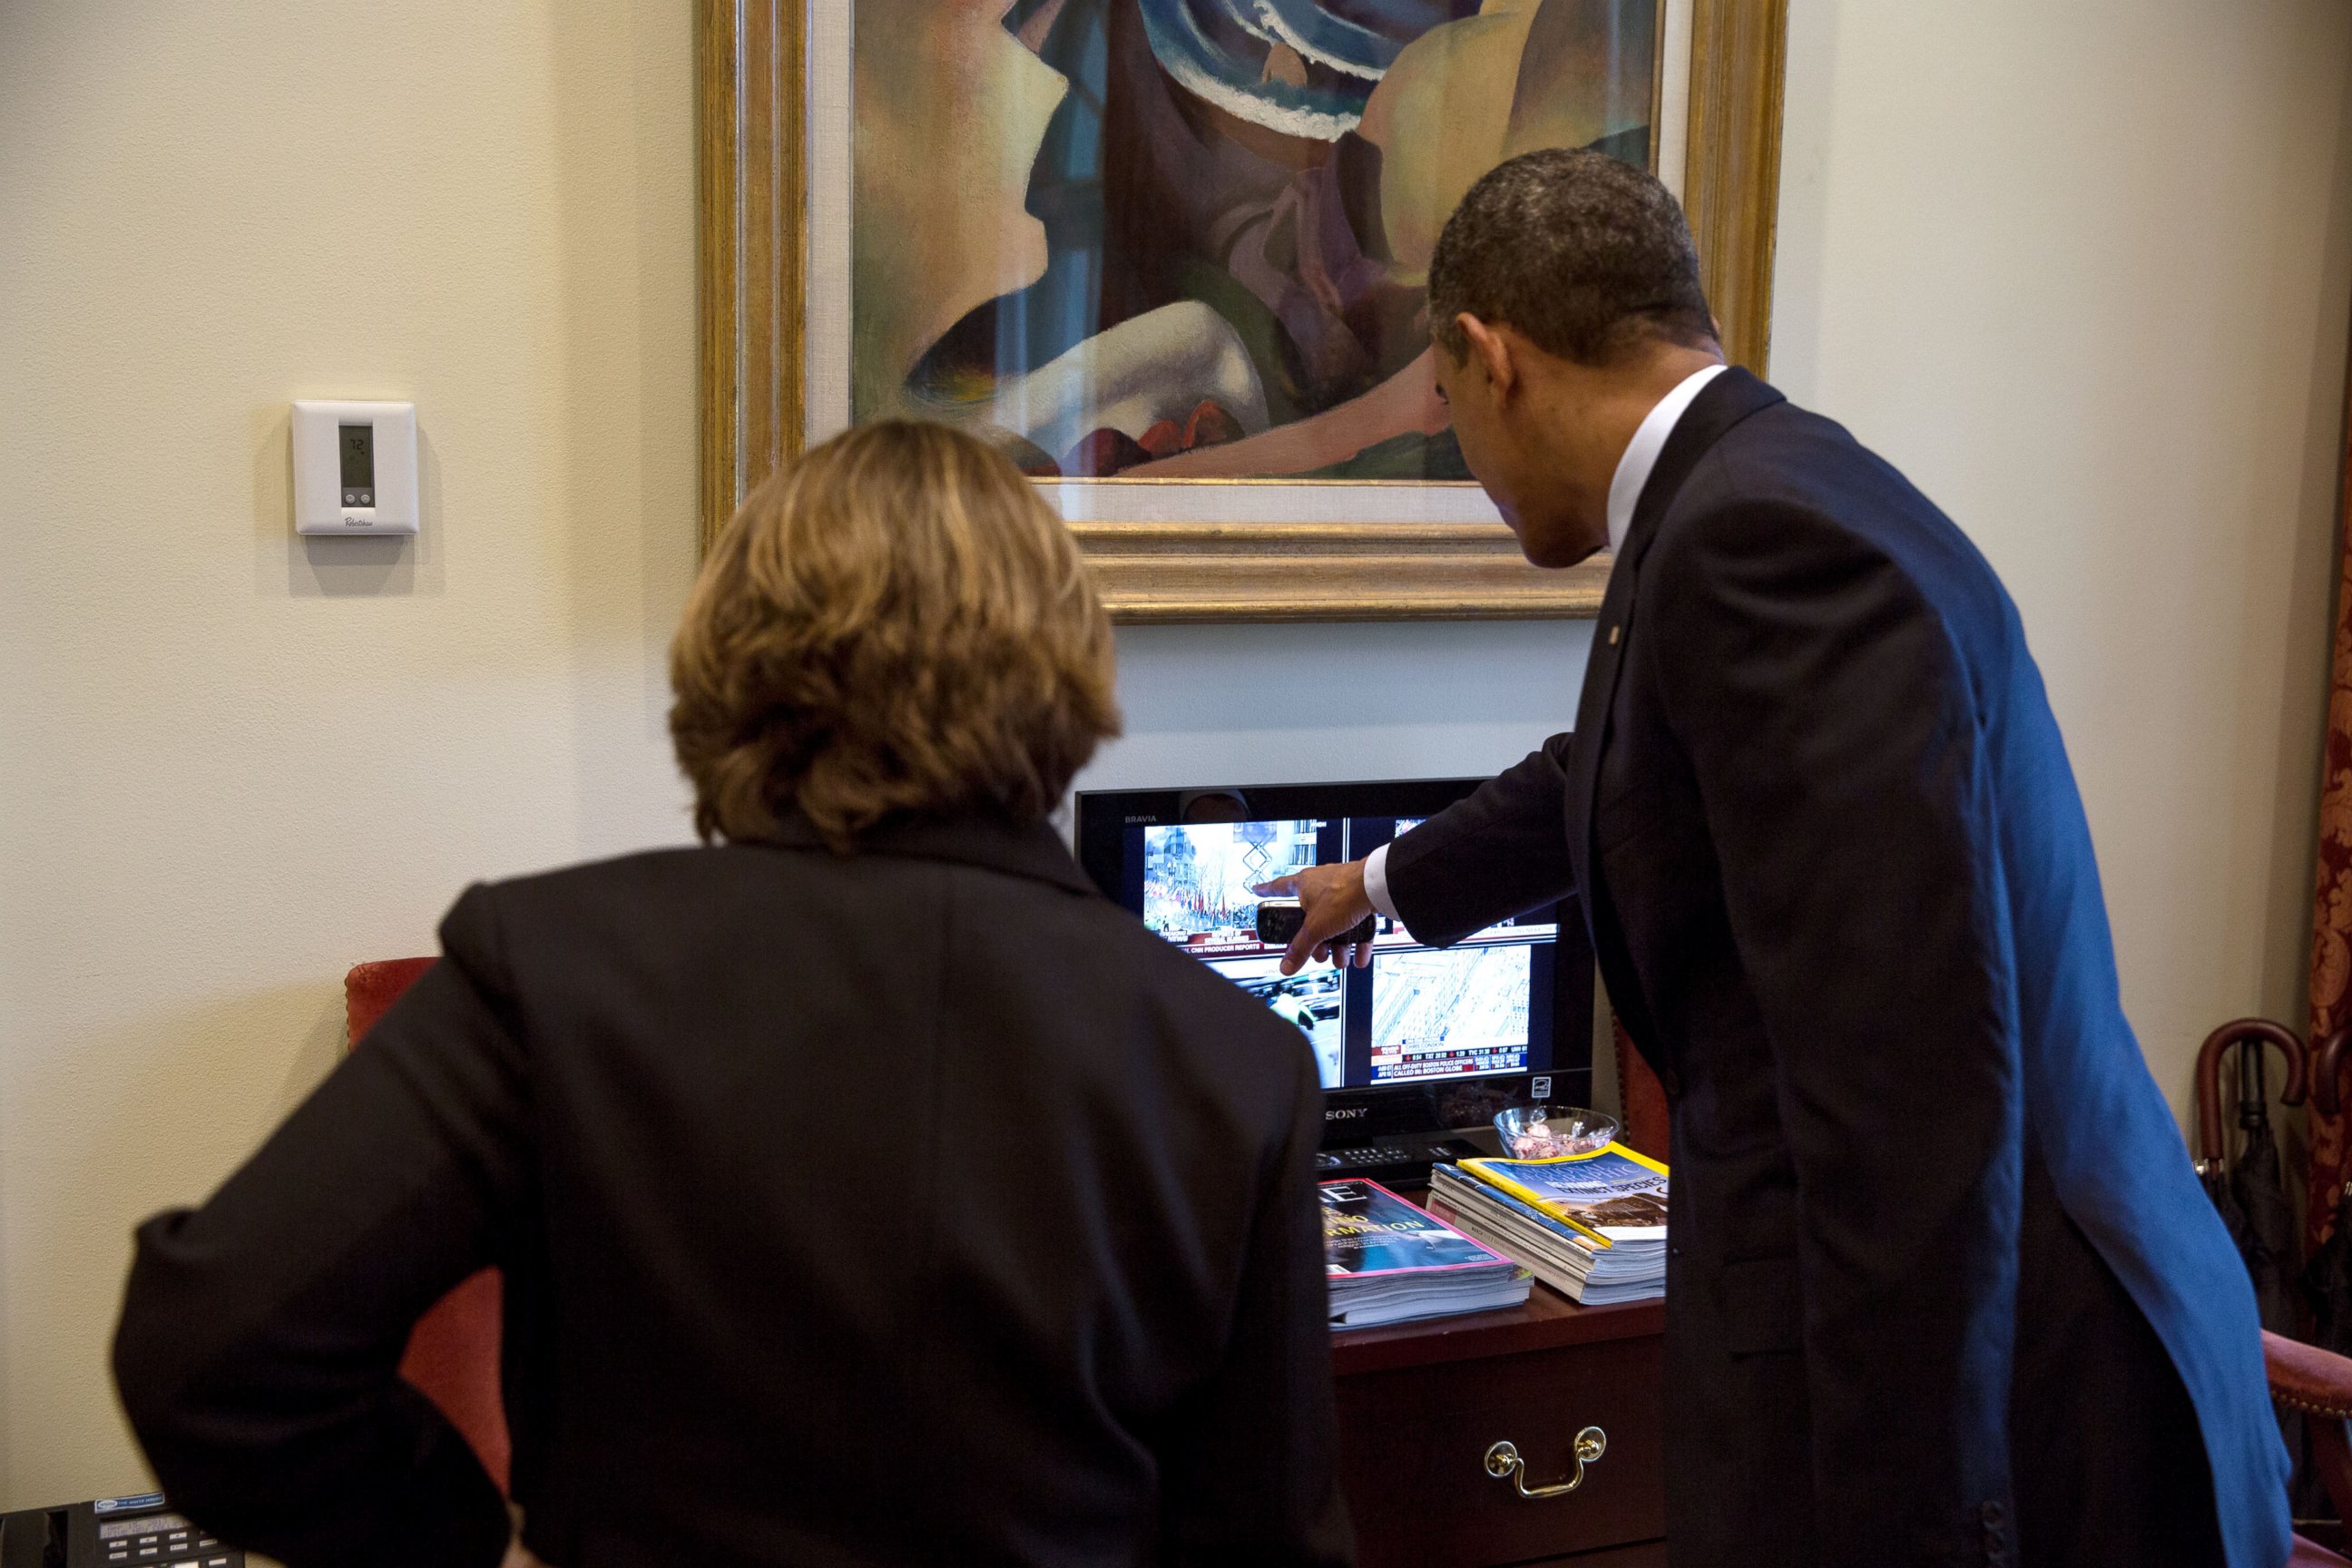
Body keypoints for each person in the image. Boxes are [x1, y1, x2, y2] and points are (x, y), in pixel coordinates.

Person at [1258, 149, 2289, 1568]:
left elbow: (1908, 1108)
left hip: (2008, 1403)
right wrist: (1375, 886)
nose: (1462, 457)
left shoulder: (1757, 539)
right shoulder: (1754, 492)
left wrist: (1903, 1522)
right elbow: (1617, 767)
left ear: (1485, 359)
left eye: (1442, 409)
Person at [113, 422, 1354, 1568]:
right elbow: (1266, 1544)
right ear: (1070, 669)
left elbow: (211, 1354)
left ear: (732, 658)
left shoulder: (549, 969)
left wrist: (461, 1534)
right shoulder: (1232, 1061)